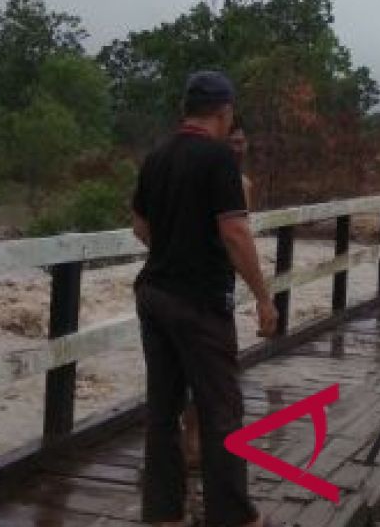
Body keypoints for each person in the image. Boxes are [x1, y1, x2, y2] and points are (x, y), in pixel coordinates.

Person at [131, 71, 279, 527]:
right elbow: (235, 232)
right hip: (199, 302)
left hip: (154, 294)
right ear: (225, 110)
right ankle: (231, 516)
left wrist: (175, 244)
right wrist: (264, 298)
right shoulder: (219, 160)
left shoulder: (156, 156)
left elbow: (140, 226)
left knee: (162, 409)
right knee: (221, 411)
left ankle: (163, 514)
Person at [182, 115, 255, 472]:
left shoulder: (244, 184)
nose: (238, 148)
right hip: (197, 286)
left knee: (214, 370)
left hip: (221, 285)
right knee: (201, 370)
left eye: (242, 142)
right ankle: (194, 441)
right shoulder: (201, 175)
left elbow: (241, 233)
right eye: (233, 142)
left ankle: (197, 438)